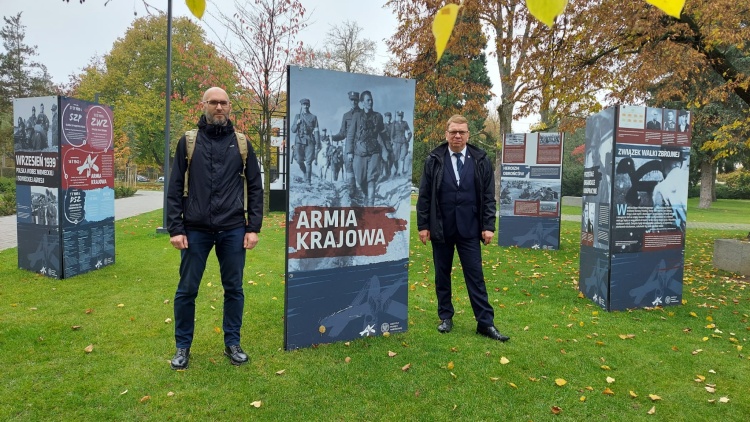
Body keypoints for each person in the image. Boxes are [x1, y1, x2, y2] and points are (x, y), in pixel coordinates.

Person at [166, 87, 263, 370]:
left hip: (233, 228)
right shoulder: (188, 141)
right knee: (187, 290)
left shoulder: (242, 143)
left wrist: (253, 227)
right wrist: (175, 228)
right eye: (213, 103)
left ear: (230, 106)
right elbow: (174, 186)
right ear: (204, 105)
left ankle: (233, 343)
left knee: (234, 288)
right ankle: (182, 347)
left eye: (223, 103)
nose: (219, 107)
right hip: (194, 229)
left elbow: (255, 187)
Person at [416, 114, 509, 342]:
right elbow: (424, 195)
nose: (457, 135)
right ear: (446, 134)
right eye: (453, 132)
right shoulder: (434, 159)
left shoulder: (480, 160)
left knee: (476, 276)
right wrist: (423, 225)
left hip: (470, 229)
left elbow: (488, 196)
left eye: (462, 132)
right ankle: (445, 317)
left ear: (468, 135)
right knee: (442, 275)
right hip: (441, 228)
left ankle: (485, 323)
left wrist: (488, 226)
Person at [346, 90, 384, 206]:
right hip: (360, 152)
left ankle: (371, 206)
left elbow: (383, 134)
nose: (370, 102)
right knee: (360, 179)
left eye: (371, 100)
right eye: (368, 100)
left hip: (374, 152)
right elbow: (350, 135)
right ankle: (367, 194)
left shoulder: (378, 116)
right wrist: (349, 152)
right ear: (362, 103)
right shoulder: (357, 116)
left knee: (371, 178)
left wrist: (388, 150)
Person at [331, 91, 361, 197]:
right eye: (352, 100)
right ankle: (352, 189)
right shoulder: (346, 115)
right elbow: (342, 133)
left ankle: (362, 188)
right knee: (348, 165)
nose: (353, 102)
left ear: (358, 101)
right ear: (349, 101)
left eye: (355, 100)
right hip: (349, 145)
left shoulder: (363, 114)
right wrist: (333, 137)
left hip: (361, 144)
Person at [291, 98, 320, 183]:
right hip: (299, 140)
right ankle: (305, 173)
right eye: (304, 105)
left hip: (310, 140)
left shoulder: (314, 117)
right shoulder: (297, 116)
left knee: (309, 161)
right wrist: (297, 124)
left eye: (307, 105)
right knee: (299, 160)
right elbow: (293, 130)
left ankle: (308, 181)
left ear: (309, 105)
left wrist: (318, 143)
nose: (305, 106)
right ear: (301, 106)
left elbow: (316, 131)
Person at [391, 111, 412, 176]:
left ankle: (401, 171)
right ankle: (396, 170)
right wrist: (392, 142)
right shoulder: (394, 123)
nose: (400, 117)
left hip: (403, 142)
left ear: (403, 116)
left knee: (403, 156)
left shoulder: (405, 123)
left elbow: (409, 133)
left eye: (401, 116)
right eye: (399, 116)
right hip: (396, 142)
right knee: (395, 157)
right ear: (397, 116)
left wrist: (407, 139)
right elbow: (392, 134)